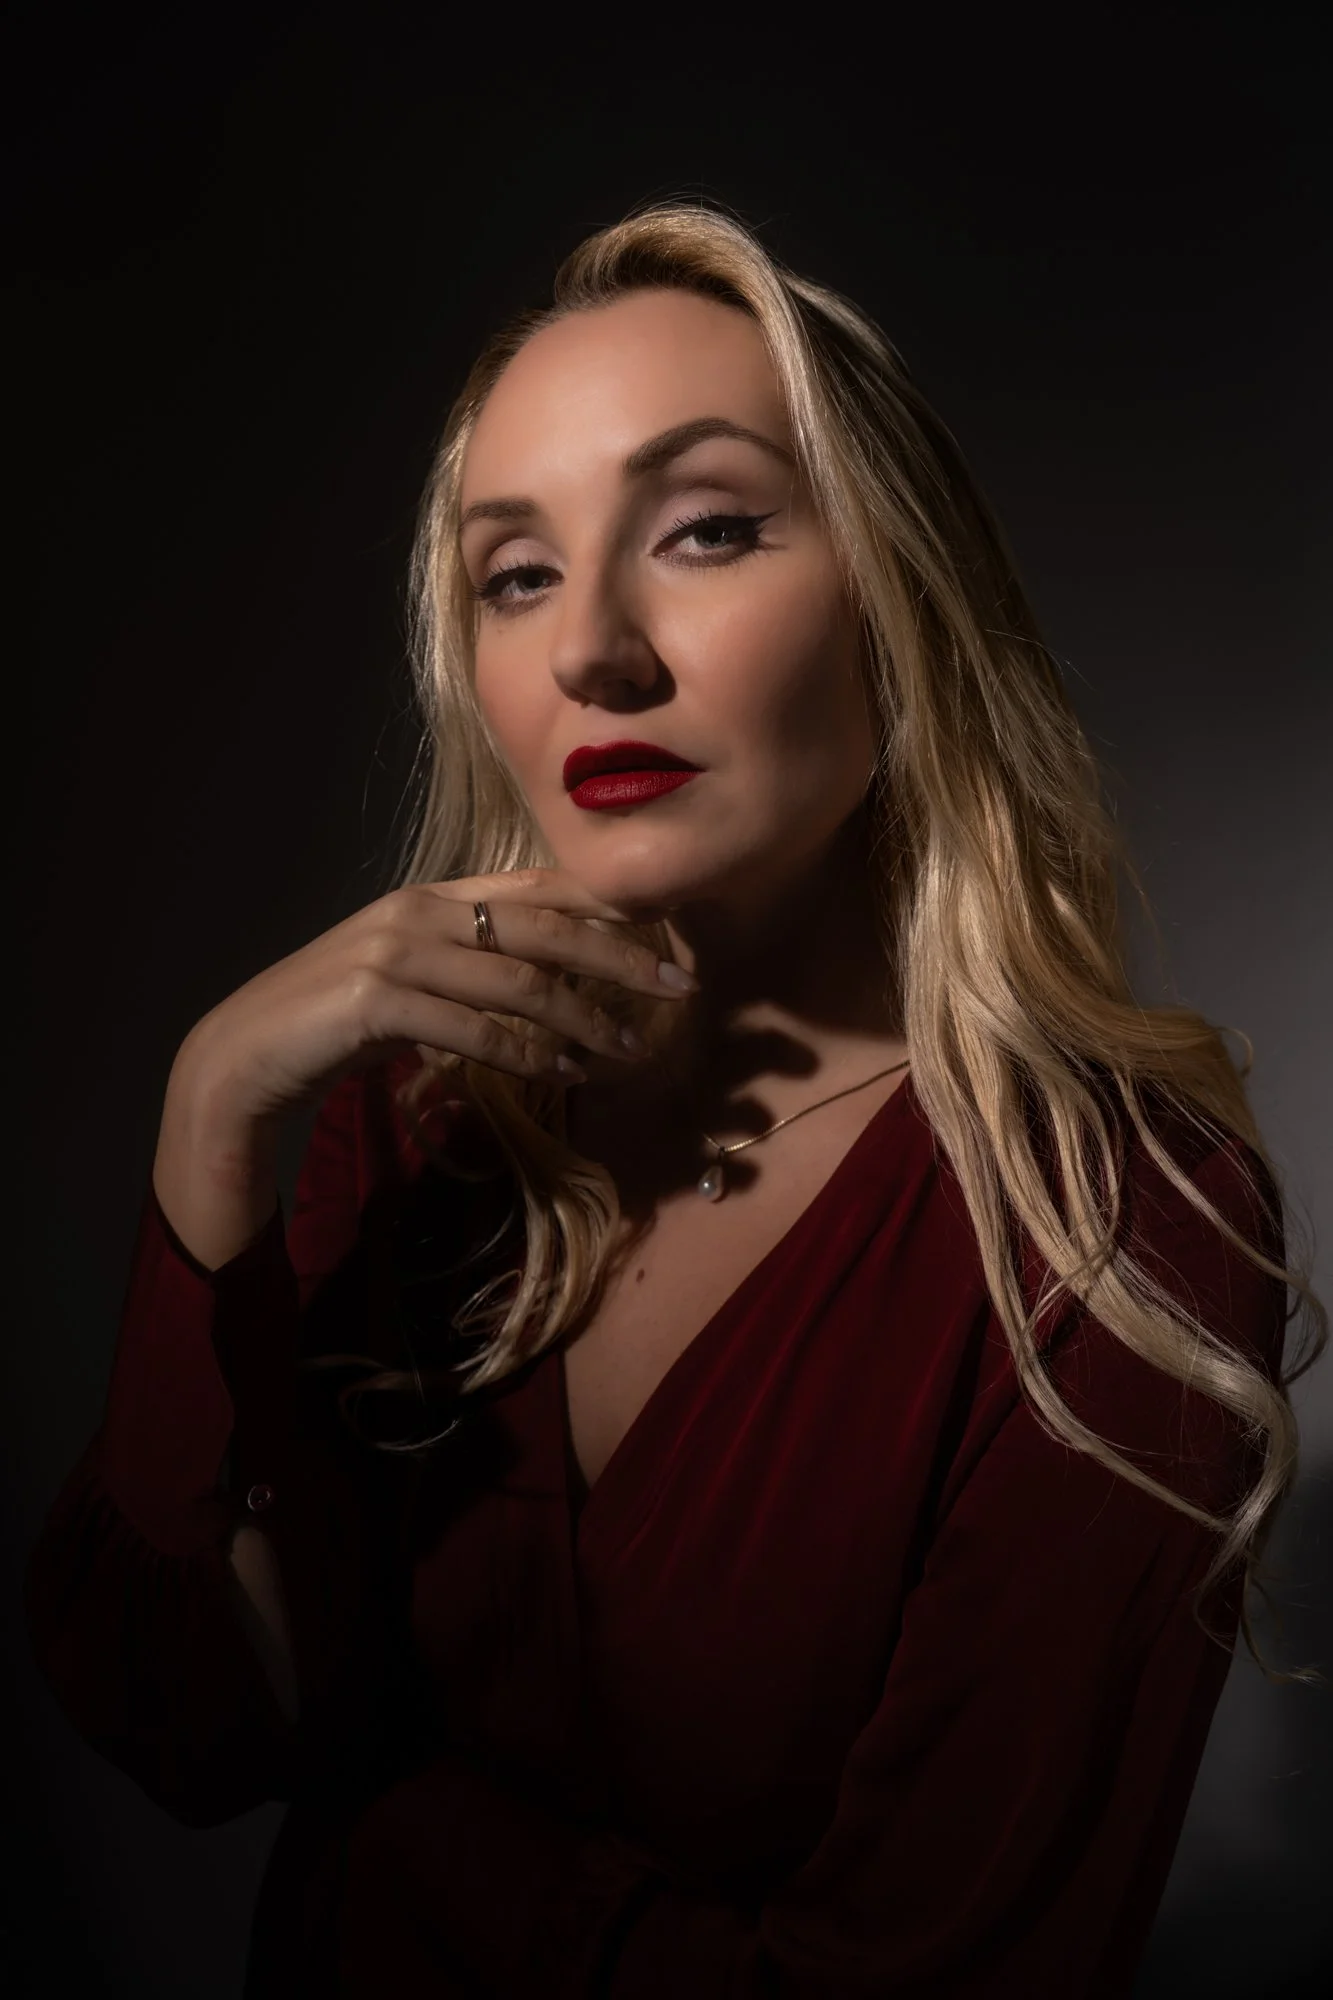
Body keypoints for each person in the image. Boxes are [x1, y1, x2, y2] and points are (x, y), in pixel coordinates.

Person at [22, 201, 1325, 1998]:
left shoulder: (1112, 1233)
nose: (593, 654)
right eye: (518, 573)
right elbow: (178, 1727)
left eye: (707, 529)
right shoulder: (419, 1130)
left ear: (900, 602)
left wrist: (395, 1863)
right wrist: (204, 1121)